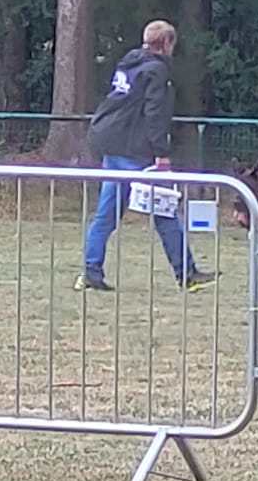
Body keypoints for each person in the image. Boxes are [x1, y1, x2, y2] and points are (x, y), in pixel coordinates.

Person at [76, 19, 209, 293]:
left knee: (107, 213)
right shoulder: (156, 70)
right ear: (167, 44)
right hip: (132, 146)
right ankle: (187, 273)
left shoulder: (129, 63)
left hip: (110, 141)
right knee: (164, 209)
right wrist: (161, 154)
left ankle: (90, 271)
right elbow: (155, 113)